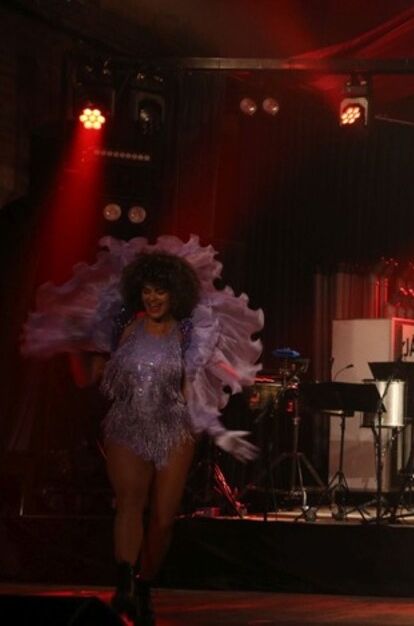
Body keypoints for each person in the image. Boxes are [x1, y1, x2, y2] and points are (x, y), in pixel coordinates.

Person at [22, 236, 263, 626]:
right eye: (148, 290)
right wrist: (70, 344)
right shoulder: (122, 326)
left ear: (175, 294)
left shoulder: (190, 333)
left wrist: (219, 432)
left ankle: (145, 585)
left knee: (163, 519)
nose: (153, 298)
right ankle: (125, 585)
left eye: (160, 291)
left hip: (174, 428)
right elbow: (87, 377)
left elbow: (193, 394)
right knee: (129, 504)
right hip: (127, 423)